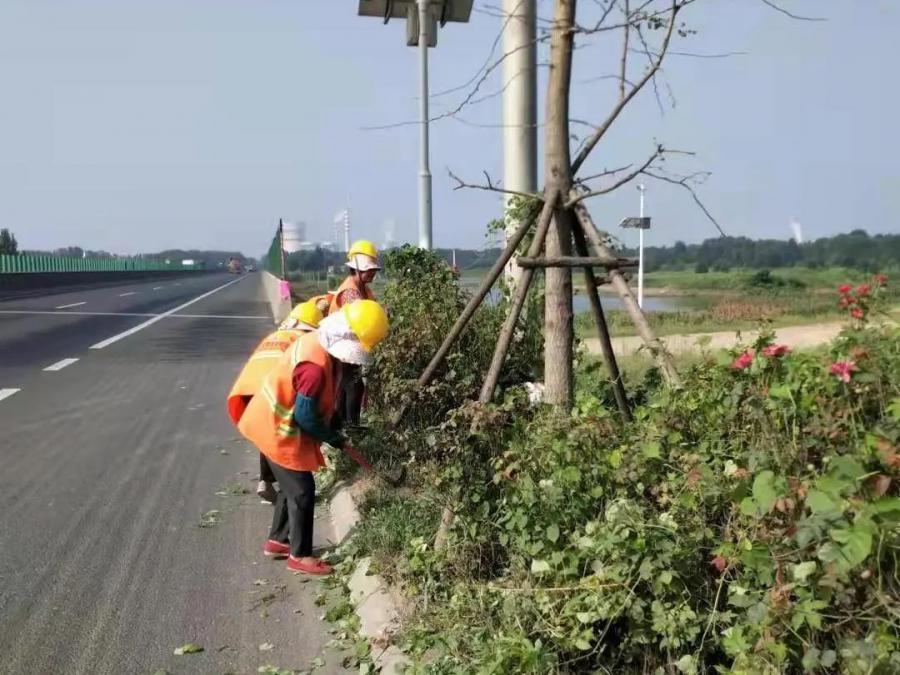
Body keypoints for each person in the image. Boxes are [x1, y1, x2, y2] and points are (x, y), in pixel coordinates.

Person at [238, 300, 389, 575]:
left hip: (269, 421)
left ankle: (278, 541)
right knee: (302, 490)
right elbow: (305, 416)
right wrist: (335, 438)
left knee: (290, 488)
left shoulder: (317, 344)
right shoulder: (315, 368)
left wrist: (334, 425)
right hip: (275, 429)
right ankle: (300, 556)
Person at [226, 301, 323, 502]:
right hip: (268, 391)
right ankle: (288, 484)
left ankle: (266, 480)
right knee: (281, 434)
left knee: (267, 435)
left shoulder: (274, 336)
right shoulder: (302, 341)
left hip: (246, 390)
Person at [330, 240, 381, 425]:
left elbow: (374, 310)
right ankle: (351, 426)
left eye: (374, 270)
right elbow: (361, 320)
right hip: (343, 343)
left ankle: (344, 424)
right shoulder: (350, 292)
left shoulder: (363, 289)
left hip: (352, 343)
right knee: (353, 384)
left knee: (348, 384)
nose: (373, 273)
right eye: (369, 270)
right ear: (358, 268)